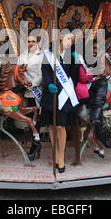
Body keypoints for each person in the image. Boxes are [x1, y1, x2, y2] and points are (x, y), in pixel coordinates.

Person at [41, 32, 79, 173]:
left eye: (73, 40)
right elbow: (44, 71)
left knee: (61, 126)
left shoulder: (71, 56)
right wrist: (49, 83)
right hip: (50, 94)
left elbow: (74, 75)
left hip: (64, 95)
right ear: (61, 38)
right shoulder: (48, 54)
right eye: (69, 38)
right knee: (51, 125)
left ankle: (61, 156)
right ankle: (55, 153)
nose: (71, 42)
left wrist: (76, 63)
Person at [17, 34, 44, 160]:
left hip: (35, 90)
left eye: (33, 41)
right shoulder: (21, 56)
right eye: (28, 41)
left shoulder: (41, 56)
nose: (31, 43)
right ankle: (35, 143)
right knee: (28, 118)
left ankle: (35, 146)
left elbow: (41, 74)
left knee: (35, 119)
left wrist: (32, 84)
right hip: (24, 92)